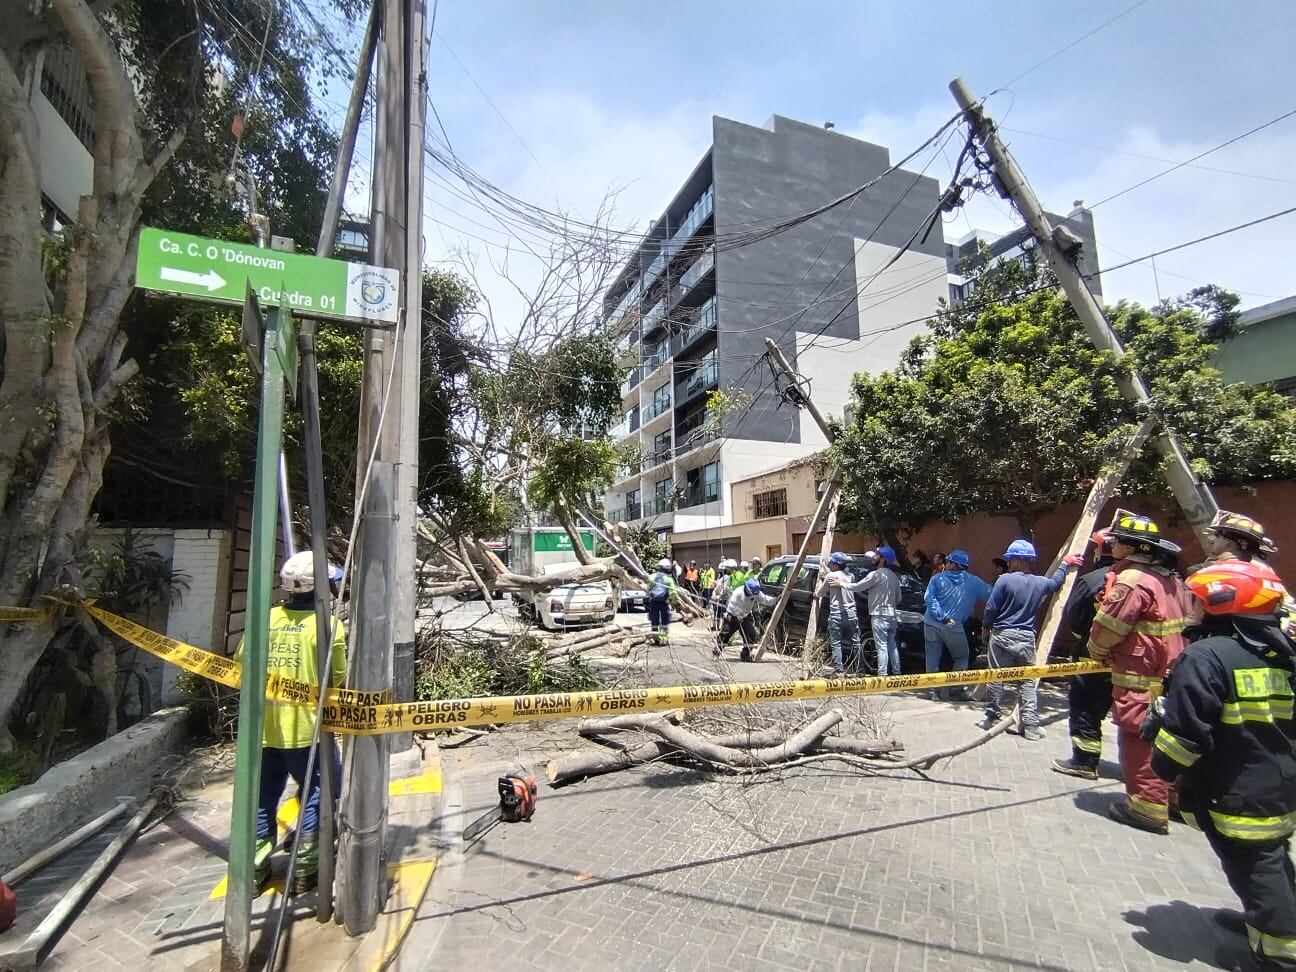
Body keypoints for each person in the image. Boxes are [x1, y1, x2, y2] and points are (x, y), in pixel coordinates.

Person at [1149, 558, 1296, 971]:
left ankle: (1280, 954)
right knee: (1271, 860)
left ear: (1222, 603)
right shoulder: (1280, 653)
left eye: (1197, 602)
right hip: (1277, 783)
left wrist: (1160, 750)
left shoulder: (1206, 657)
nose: (1190, 609)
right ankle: (1264, 921)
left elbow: (1185, 738)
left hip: (1238, 791)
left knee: (1259, 871)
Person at [236, 551, 347, 894]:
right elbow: (337, 676)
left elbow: (241, 661)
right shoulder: (329, 626)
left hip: (263, 729)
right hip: (307, 730)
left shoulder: (264, 619)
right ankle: (305, 867)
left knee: (262, 798)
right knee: (320, 790)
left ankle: (254, 872)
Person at [1086, 510, 1191, 834]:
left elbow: (1108, 626)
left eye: (1116, 541)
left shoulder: (1132, 581)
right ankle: (1174, 800)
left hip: (1141, 675)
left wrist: (1097, 652)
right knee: (1167, 736)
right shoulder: (1170, 580)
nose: (1111, 545)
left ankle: (1146, 809)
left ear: (1130, 547)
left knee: (1139, 736)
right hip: (1172, 672)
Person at [977, 539, 1083, 740]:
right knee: (1027, 682)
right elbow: (1055, 583)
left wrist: (985, 627)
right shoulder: (1039, 583)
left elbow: (991, 608)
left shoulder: (1004, 580)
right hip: (1026, 638)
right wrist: (1065, 563)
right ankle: (1031, 726)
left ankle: (992, 718)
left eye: (1010, 559)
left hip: (1002, 635)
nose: (1008, 563)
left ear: (1015, 560)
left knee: (996, 677)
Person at [1052, 529, 1119, 780]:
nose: (1094, 552)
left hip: (1090, 657)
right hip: (1134, 664)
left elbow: (1076, 621)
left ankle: (1084, 761)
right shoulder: (1152, 580)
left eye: (1097, 548)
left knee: (1085, 708)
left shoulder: (1092, 581)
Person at [922, 548, 993, 698]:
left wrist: (942, 616)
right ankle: (956, 688)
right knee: (961, 657)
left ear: (954, 564)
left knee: (932, 656)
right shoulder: (974, 582)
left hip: (931, 623)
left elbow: (928, 599)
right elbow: (992, 595)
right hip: (953, 626)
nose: (946, 564)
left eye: (948, 561)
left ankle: (933, 691)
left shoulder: (937, 579)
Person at [829, 546, 903, 675]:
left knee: (881, 648)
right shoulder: (894, 577)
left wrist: (841, 583)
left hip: (879, 616)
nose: (874, 557)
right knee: (892, 646)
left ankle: (882, 676)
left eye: (876, 555)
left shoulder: (875, 575)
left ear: (882, 559)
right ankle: (897, 673)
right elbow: (898, 598)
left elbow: (858, 587)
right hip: (892, 616)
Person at [818, 552, 862, 673]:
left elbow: (820, 593)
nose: (829, 564)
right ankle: (860, 669)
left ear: (836, 564)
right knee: (856, 642)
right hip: (851, 613)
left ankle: (839, 670)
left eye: (831, 563)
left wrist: (815, 593)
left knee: (836, 643)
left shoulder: (831, 576)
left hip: (837, 614)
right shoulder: (850, 576)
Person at [715, 577, 777, 662]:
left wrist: (775, 600)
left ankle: (745, 655)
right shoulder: (738, 593)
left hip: (746, 616)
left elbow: (764, 599)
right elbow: (732, 606)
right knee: (725, 635)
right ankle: (716, 651)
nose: (753, 596)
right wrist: (737, 616)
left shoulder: (756, 593)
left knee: (750, 635)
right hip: (733, 616)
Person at [646, 558, 677, 645]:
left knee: (654, 620)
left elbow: (647, 590)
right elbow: (674, 592)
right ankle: (663, 639)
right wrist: (671, 601)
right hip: (664, 602)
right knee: (664, 621)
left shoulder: (651, 577)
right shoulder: (668, 579)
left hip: (653, 602)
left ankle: (655, 638)